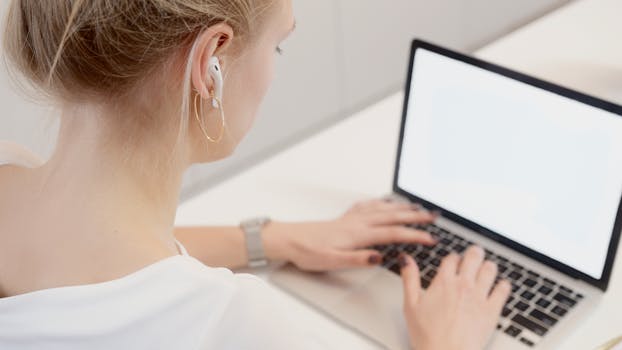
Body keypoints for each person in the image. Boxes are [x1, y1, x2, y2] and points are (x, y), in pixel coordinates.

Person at [0, 0, 511, 349]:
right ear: (211, 62)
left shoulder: (9, 177)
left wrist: (269, 238)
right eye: (278, 45)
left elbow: (107, 278)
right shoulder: (233, 323)